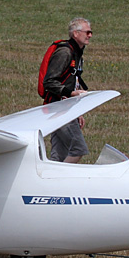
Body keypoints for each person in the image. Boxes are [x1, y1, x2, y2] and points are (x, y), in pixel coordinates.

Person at [42, 18, 93, 163]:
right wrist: (69, 93)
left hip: (66, 108)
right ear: (76, 34)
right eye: (87, 32)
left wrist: (79, 111)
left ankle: (50, 182)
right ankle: (59, 182)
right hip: (59, 109)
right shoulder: (65, 52)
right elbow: (49, 82)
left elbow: (74, 81)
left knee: (59, 155)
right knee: (78, 149)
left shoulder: (77, 53)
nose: (90, 35)